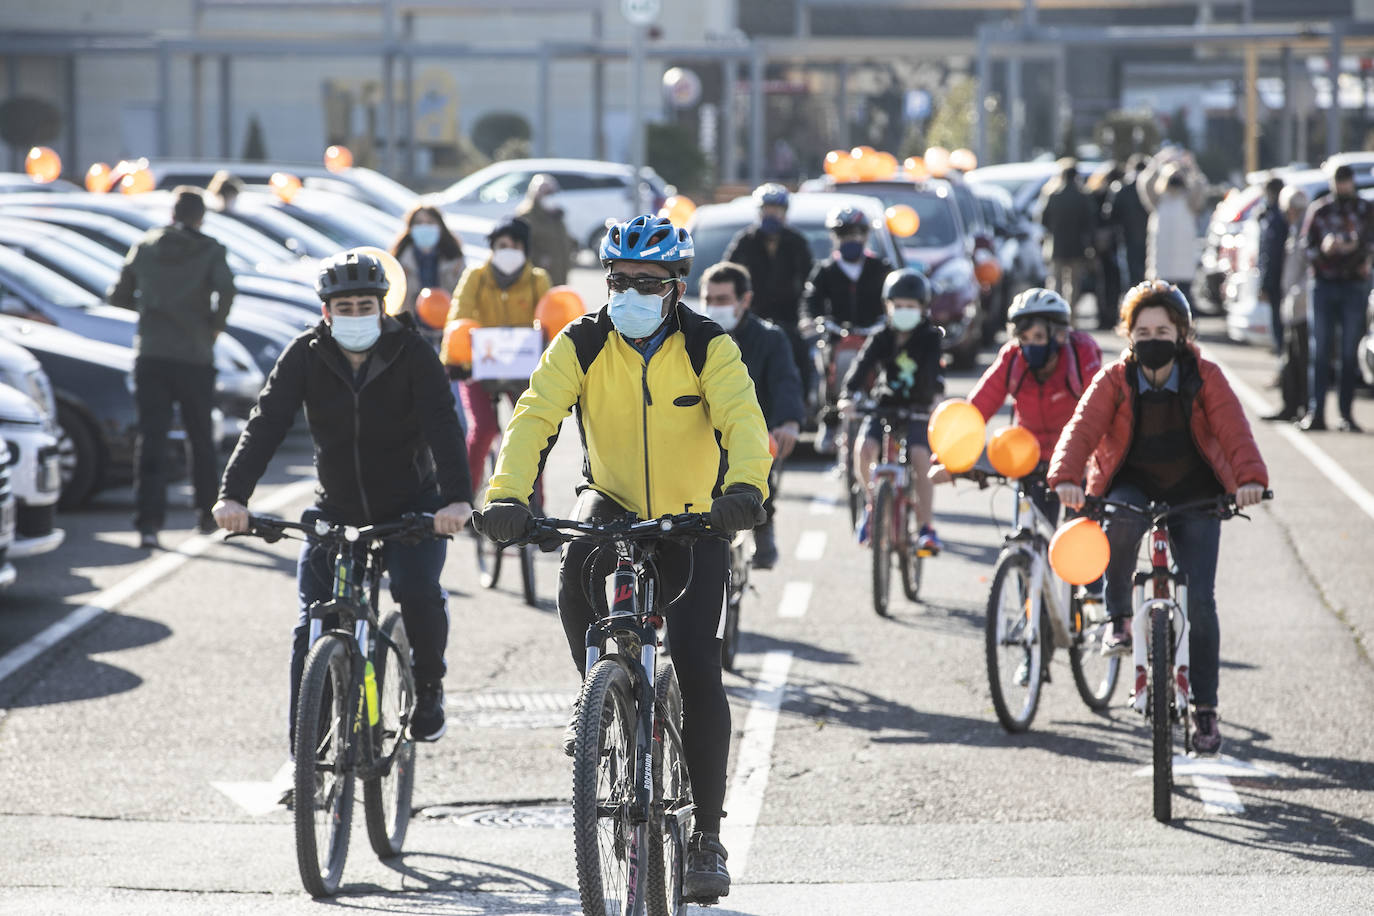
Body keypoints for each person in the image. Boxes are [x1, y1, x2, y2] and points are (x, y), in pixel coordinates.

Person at [474, 214, 771, 902]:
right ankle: (597, 699)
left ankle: (706, 838)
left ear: (675, 286)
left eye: (647, 283)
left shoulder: (708, 347)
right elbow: (535, 416)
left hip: (695, 517)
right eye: (619, 282)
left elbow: (742, 422)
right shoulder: (580, 341)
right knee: (574, 574)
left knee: (698, 667)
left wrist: (745, 490)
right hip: (610, 499)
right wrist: (507, 496)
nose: (631, 293)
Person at [213, 250, 474, 753]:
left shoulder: (413, 353)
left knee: (417, 593)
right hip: (335, 509)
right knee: (312, 618)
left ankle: (428, 689)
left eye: (365, 305)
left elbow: (444, 425)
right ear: (327, 312)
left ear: (383, 306)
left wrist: (457, 501)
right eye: (344, 307)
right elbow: (266, 423)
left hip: (412, 510)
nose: (355, 315)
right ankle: (304, 754)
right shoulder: (305, 354)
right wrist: (233, 495)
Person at [1048, 280, 1268, 756]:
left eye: (1163, 329)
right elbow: (1081, 430)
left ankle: (1205, 709)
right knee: (1120, 526)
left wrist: (1249, 477)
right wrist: (1066, 477)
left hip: (1196, 490)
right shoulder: (1114, 379)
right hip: (1134, 481)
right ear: (1128, 335)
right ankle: (1120, 618)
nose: (1152, 338)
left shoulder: (1205, 376)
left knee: (1202, 604)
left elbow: (1233, 429)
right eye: (1142, 329)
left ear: (1182, 333)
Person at [107, 187, 234, 548]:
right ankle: (206, 515)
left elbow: (118, 294)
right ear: (200, 216)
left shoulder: (146, 247)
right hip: (195, 354)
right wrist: (213, 325)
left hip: (152, 354)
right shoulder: (210, 249)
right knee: (200, 438)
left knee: (152, 439)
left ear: (172, 213)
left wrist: (150, 310)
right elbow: (227, 289)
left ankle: (148, 522)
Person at [961, 288, 1103, 523]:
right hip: (1030, 460)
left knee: (1078, 542)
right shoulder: (1012, 358)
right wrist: (948, 459)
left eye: (1038, 337)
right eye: (1024, 339)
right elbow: (977, 407)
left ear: (1058, 335)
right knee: (1028, 533)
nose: (1030, 346)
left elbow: (1100, 411)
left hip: (1077, 460)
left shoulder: (1081, 354)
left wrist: (1097, 465)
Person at [700, 261, 806, 569]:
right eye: (709, 299)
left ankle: (764, 528)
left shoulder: (770, 338)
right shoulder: (692, 337)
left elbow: (786, 381)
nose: (714, 307)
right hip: (700, 431)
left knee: (756, 466)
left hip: (755, 430)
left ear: (745, 300)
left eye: (722, 300)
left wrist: (788, 422)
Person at [443, 216, 551, 492]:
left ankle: (533, 500)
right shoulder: (475, 277)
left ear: (525, 250)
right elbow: (459, 315)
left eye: (515, 246)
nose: (508, 251)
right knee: (483, 429)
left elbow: (550, 320)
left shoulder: (537, 280)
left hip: (524, 370)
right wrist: (456, 360)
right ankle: (464, 496)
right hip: (479, 367)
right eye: (502, 245)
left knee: (529, 433)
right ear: (492, 247)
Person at [840, 268, 944, 551]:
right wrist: (848, 395)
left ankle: (926, 526)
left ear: (923, 309)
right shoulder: (881, 336)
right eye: (897, 306)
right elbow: (861, 366)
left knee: (921, 458)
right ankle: (872, 504)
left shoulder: (930, 337)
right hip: (883, 406)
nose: (903, 311)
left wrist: (934, 398)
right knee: (863, 450)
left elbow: (934, 373)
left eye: (910, 307)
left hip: (918, 408)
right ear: (887, 306)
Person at [804, 205, 894, 454]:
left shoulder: (881, 268)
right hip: (838, 337)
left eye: (856, 233)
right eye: (844, 234)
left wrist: (889, 320)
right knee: (827, 368)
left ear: (866, 236)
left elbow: (893, 298)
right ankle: (830, 420)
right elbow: (810, 301)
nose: (850, 239)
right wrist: (812, 319)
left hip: (874, 335)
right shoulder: (825, 271)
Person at [1299, 163, 1374, 433]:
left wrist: (1356, 248)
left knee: (1348, 353)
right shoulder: (1320, 209)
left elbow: (1371, 243)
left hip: (1354, 286)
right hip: (1324, 284)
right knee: (1320, 351)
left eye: (1345, 181)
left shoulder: (1365, 210)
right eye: (1337, 181)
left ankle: (1346, 414)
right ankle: (1316, 411)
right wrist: (1324, 248)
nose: (1342, 186)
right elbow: (1305, 246)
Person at [722, 183, 814, 383]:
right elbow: (728, 274)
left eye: (777, 211)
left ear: (785, 213)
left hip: (790, 319)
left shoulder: (797, 242)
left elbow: (811, 282)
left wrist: (806, 316)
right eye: (767, 210)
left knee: (801, 363)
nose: (772, 215)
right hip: (752, 316)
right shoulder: (745, 241)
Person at [1263, 187, 1311, 423]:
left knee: (1300, 360)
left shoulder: (1307, 230)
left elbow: (1308, 271)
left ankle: (1301, 406)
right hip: (1291, 305)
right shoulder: (1295, 229)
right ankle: (1291, 406)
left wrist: (1296, 296)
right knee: (1290, 358)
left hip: (1301, 307)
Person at [1138, 151, 1205, 303]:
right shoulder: (1159, 200)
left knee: (1184, 301)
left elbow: (1200, 187)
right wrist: (1156, 164)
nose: (1175, 181)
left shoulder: (1189, 200)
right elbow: (1145, 184)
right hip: (1162, 265)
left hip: (1184, 266)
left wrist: (1192, 168)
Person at [392, 202, 465, 333]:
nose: (424, 227)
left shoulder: (454, 259)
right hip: (412, 330)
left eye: (430, 222)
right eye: (419, 223)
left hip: (447, 329)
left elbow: (463, 298)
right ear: (411, 228)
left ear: (440, 226)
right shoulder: (399, 261)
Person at [1037, 160, 1096, 319]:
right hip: (1077, 246)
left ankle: (1056, 313)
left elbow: (1043, 220)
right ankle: (1071, 315)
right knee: (1074, 284)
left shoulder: (1053, 196)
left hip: (1056, 246)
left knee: (1056, 282)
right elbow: (1089, 223)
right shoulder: (1082, 197)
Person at [514, 173, 574, 286]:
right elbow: (520, 247)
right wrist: (538, 259)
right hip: (537, 279)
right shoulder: (526, 217)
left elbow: (564, 240)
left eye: (552, 192)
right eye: (545, 192)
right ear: (534, 193)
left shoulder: (557, 216)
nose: (549, 196)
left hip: (560, 276)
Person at [1088, 162, 1125, 330]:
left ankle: (1104, 316)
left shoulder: (1094, 194)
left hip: (1100, 246)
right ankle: (1110, 315)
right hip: (1111, 245)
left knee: (1103, 282)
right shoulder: (1115, 194)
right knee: (1112, 282)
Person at [1255, 176, 1289, 355]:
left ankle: (1285, 373)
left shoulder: (1275, 218)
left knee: (1280, 328)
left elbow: (1271, 254)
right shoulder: (1273, 215)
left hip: (1278, 281)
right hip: (1284, 280)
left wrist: (1265, 284)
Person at [1111, 154, 1151, 287]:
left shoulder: (1123, 190)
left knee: (1131, 280)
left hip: (1128, 239)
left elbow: (1112, 215)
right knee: (1148, 277)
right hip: (1148, 239)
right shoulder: (1152, 190)